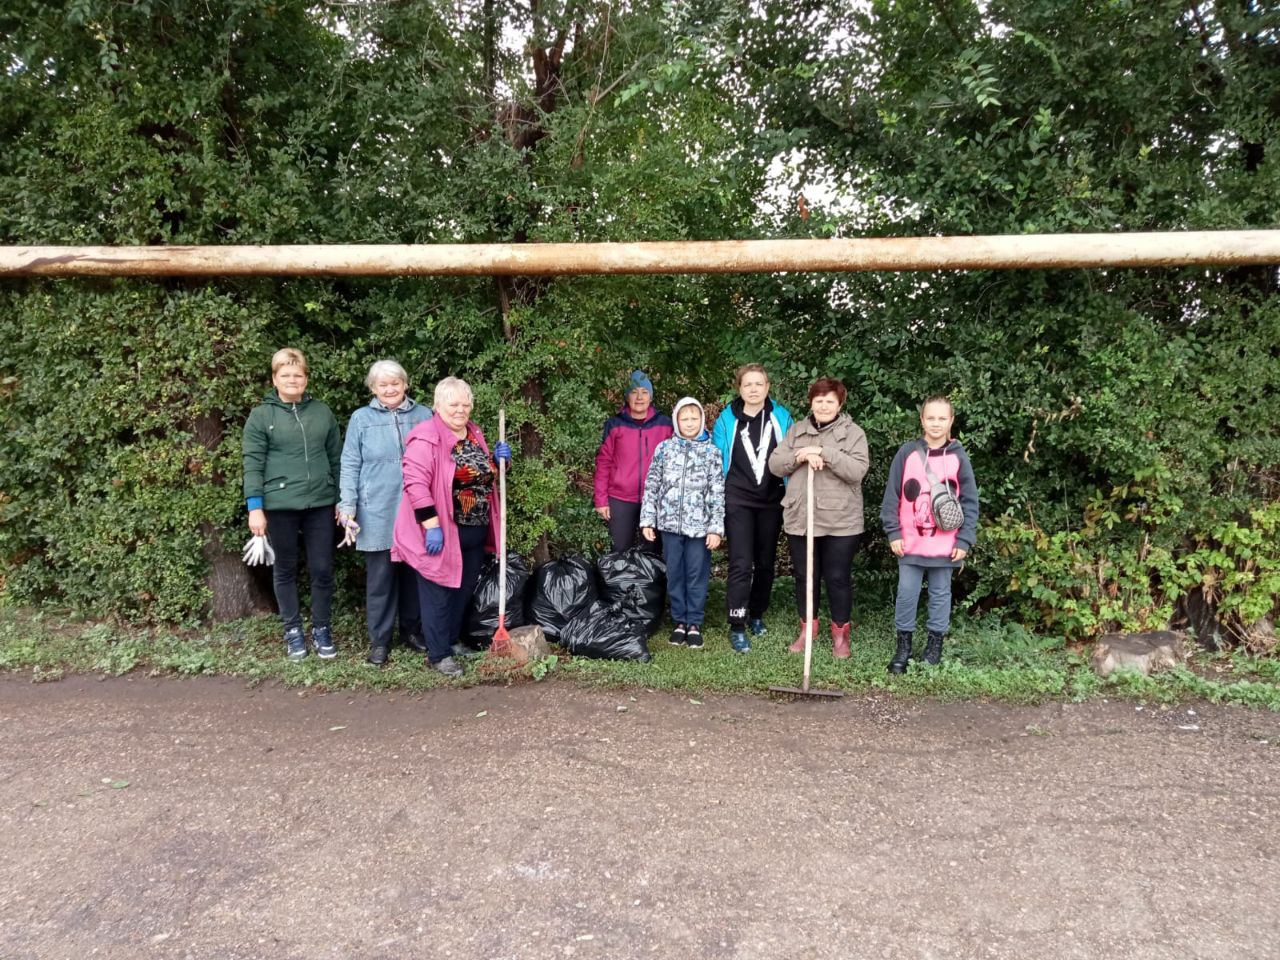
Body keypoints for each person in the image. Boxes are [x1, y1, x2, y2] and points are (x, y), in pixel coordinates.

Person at [391, 377, 511, 678]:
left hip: (475, 528)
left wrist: (500, 463)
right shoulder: (426, 437)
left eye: (465, 403)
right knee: (437, 591)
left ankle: (451, 640)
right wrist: (431, 526)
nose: (461, 409)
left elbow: (483, 475)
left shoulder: (474, 433)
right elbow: (415, 485)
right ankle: (438, 654)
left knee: (462, 588)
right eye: (453, 403)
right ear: (438, 405)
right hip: (442, 530)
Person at [242, 347, 342, 661]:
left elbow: (337, 459)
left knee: (322, 569)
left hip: (321, 504)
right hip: (279, 504)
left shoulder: (322, 412)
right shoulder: (261, 415)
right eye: (285, 375)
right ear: (275, 379)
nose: (292, 380)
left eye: (297, 375)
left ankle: (322, 628)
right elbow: (252, 462)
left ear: (306, 378)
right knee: (284, 569)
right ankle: (293, 630)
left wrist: (343, 500)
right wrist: (254, 506)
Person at [337, 360, 434, 666]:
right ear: (373, 388)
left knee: (414, 574)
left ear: (406, 384)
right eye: (383, 385)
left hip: (417, 510)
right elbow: (350, 462)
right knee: (380, 579)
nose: (390, 389)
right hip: (376, 509)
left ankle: (412, 632)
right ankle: (379, 641)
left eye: (395, 383)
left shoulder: (424, 415)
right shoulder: (361, 419)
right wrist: (347, 507)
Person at [767, 377, 869, 659]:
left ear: (839, 404)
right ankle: (807, 630)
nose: (824, 406)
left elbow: (856, 470)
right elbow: (775, 464)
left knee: (836, 577)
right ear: (811, 402)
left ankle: (840, 635)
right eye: (819, 400)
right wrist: (801, 454)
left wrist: (824, 452)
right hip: (802, 515)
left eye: (830, 401)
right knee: (805, 576)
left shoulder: (853, 433)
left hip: (841, 520)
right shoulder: (797, 430)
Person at [879, 395, 979, 672]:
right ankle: (904, 646)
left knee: (940, 594)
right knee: (907, 593)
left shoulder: (958, 457)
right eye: (930, 418)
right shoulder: (907, 453)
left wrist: (964, 539)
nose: (936, 423)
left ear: (951, 421)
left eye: (942, 418)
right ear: (922, 420)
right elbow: (892, 497)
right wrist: (894, 532)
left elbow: (970, 501)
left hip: (945, 545)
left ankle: (934, 645)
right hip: (910, 543)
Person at [711, 363, 795, 654]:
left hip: (772, 499)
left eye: (759, 384)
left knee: (766, 562)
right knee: (740, 562)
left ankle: (757, 614)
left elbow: (793, 454)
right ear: (740, 389)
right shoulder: (726, 419)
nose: (754, 389)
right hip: (738, 498)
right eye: (748, 384)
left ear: (768, 387)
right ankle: (737, 623)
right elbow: (717, 458)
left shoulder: (781, 416)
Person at [640, 397, 725, 649]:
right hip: (669, 526)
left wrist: (715, 528)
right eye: (684, 418)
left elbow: (717, 492)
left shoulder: (712, 452)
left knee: (696, 574)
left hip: (700, 529)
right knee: (675, 573)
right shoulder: (664, 449)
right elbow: (652, 485)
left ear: (701, 420)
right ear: (676, 421)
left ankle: (695, 623)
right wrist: (648, 519)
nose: (689, 423)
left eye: (694, 418)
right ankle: (679, 621)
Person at [593, 369, 673, 552]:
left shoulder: (665, 425)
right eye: (634, 392)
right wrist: (601, 500)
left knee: (653, 552)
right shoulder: (614, 425)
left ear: (651, 397)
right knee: (619, 550)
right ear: (627, 397)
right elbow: (604, 463)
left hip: (655, 498)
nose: (639, 397)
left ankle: (653, 582)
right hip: (620, 498)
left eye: (644, 392)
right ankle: (619, 582)